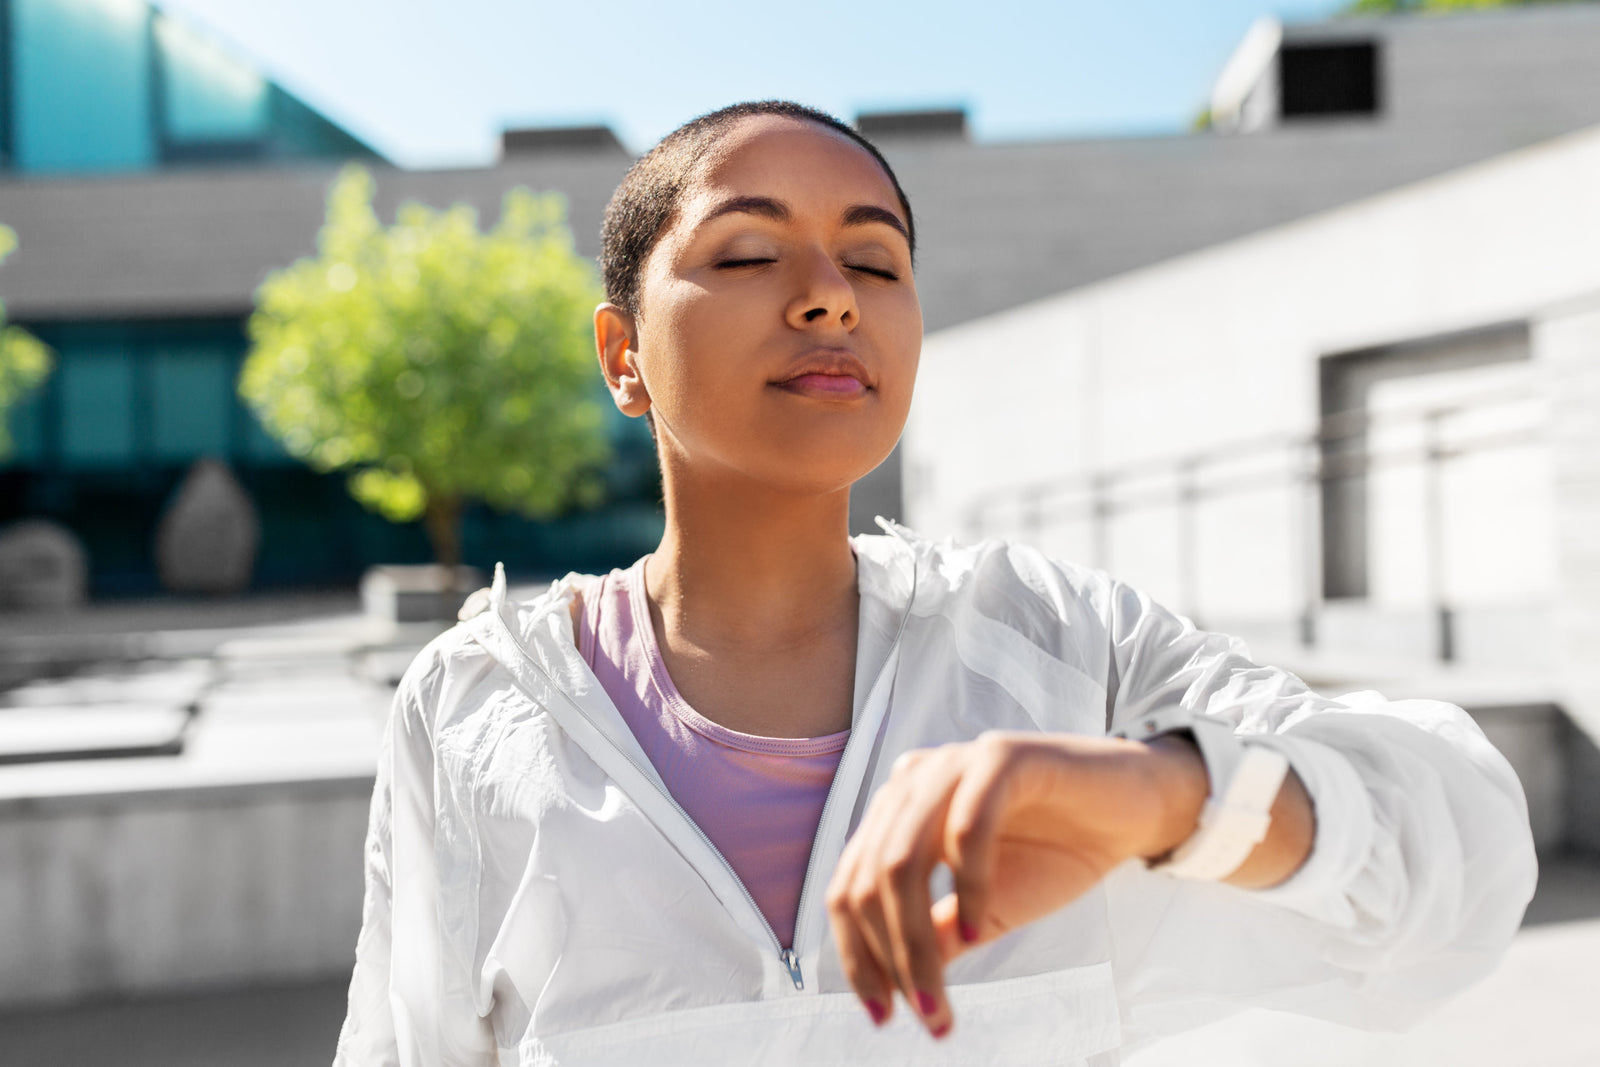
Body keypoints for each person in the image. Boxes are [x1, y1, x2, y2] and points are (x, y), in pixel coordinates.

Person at [333, 101, 1536, 1066]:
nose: (830, 294)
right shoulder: (474, 708)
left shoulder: (1067, 644)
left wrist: (1164, 794)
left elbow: (1464, 861)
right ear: (622, 356)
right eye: (747, 252)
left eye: (875, 259)